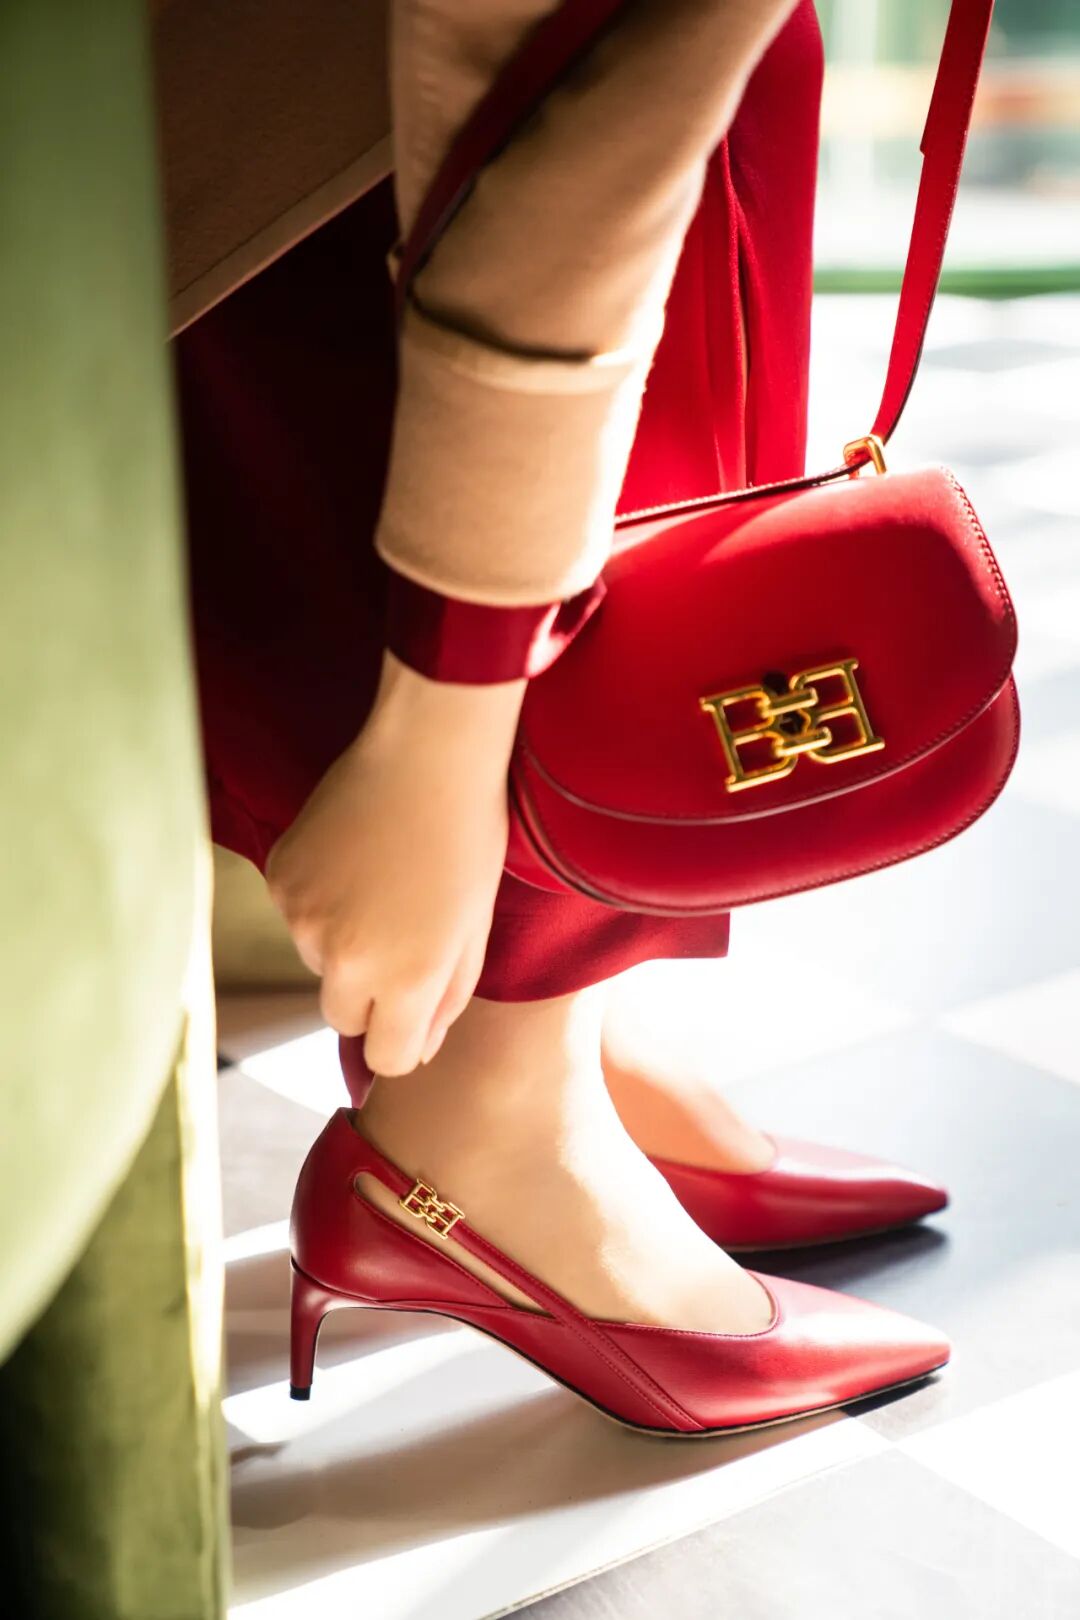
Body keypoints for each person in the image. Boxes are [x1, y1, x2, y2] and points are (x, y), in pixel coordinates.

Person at [175, 0, 952, 1430]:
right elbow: (552, 125)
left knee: (716, 117)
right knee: (561, 195)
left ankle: (564, 1029)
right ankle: (485, 1102)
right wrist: (441, 723)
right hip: (349, 139)